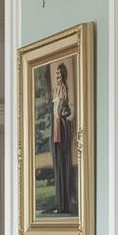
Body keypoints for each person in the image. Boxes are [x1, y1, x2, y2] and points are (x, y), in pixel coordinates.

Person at [51, 61, 75, 215]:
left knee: (63, 165)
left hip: (62, 129)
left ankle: (65, 205)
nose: (57, 75)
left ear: (63, 74)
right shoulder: (56, 89)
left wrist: (63, 116)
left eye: (59, 73)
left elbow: (66, 111)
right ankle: (60, 205)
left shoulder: (64, 89)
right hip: (56, 128)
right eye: (56, 73)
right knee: (58, 166)